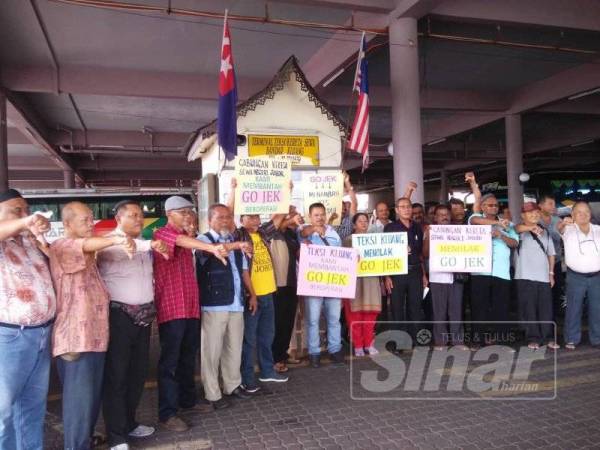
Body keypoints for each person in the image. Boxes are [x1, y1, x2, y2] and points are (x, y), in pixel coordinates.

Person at [49, 201, 135, 450]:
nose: (91, 224)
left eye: (91, 219)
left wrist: (115, 239)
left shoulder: (87, 250)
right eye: (84, 220)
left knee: (90, 400)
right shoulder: (63, 245)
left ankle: (84, 440)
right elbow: (87, 243)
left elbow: (92, 244)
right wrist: (118, 239)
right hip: (76, 338)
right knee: (79, 404)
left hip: (95, 338)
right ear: (67, 224)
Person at [153, 196, 239, 433]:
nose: (188, 216)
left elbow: (187, 243)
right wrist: (211, 247)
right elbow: (181, 240)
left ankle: (188, 401)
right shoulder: (163, 234)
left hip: (191, 306)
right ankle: (167, 413)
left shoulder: (190, 238)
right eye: (182, 212)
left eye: (190, 212)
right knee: (169, 362)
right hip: (172, 309)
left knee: (188, 357)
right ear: (169, 214)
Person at [97, 200, 170, 449]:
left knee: (137, 374)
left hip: (143, 318)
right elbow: (123, 247)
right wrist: (151, 243)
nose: (139, 219)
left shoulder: (144, 246)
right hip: (119, 317)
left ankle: (129, 423)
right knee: (117, 377)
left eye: (141, 215)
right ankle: (116, 436)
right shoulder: (109, 242)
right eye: (133, 215)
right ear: (119, 218)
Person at [0, 189, 56, 450]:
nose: (24, 215)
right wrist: (26, 221)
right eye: (16, 210)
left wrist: (37, 235)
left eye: (26, 209)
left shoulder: (30, 241)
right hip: (10, 336)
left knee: (32, 408)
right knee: (3, 412)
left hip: (41, 333)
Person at [197, 204, 255, 409]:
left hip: (236, 302)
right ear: (210, 219)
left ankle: (232, 385)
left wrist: (252, 295)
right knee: (211, 350)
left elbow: (244, 271)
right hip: (214, 303)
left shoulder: (235, 242)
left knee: (234, 346)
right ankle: (212, 394)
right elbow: (217, 251)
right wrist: (238, 245)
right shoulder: (204, 240)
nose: (225, 221)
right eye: (220, 217)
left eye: (228, 217)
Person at [468, 191, 518, 348]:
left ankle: (502, 340)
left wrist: (500, 235)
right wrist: (496, 224)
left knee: (501, 308)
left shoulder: (507, 224)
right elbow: (476, 219)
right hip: (480, 271)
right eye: (490, 205)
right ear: (482, 207)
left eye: (496, 205)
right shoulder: (474, 219)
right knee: (479, 307)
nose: (494, 207)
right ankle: (478, 340)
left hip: (501, 272)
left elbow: (515, 243)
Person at [299, 202, 344, 368]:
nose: (320, 218)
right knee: (313, 320)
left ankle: (335, 349)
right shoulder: (303, 230)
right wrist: (313, 230)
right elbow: (303, 233)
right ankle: (314, 353)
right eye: (316, 215)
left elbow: (341, 254)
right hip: (313, 283)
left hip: (333, 282)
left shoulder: (333, 233)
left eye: (322, 214)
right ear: (310, 217)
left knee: (334, 318)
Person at [383, 183, 427, 349]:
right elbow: (385, 253)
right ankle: (399, 342)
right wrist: (386, 277)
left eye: (408, 206)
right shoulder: (390, 228)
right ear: (397, 210)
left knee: (415, 307)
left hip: (415, 271)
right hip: (396, 273)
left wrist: (423, 275)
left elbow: (420, 254)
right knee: (397, 309)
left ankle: (415, 340)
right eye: (403, 207)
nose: (407, 210)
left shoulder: (417, 228)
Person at [513, 202, 559, 350]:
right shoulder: (518, 230)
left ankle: (548, 338)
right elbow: (517, 228)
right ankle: (533, 338)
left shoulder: (545, 231)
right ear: (523, 215)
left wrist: (551, 273)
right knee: (529, 309)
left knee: (546, 309)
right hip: (525, 276)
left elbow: (551, 253)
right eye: (530, 212)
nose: (534, 214)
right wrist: (530, 227)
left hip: (544, 276)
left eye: (536, 212)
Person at [423, 204, 468, 350]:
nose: (444, 217)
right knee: (439, 311)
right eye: (441, 214)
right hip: (437, 277)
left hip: (456, 276)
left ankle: (458, 341)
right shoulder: (430, 231)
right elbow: (425, 254)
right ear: (435, 217)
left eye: (446, 214)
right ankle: (440, 341)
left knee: (456, 310)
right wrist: (429, 236)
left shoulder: (459, 231)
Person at [558, 201, 600, 350]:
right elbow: (559, 228)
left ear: (590, 214)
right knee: (574, 308)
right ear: (573, 215)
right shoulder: (568, 229)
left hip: (597, 276)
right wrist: (563, 223)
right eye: (579, 212)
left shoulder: (597, 229)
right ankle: (571, 339)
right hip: (575, 276)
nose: (583, 215)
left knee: (597, 308)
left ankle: (597, 339)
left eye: (586, 212)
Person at [270, 208, 303, 374]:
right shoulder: (269, 233)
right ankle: (275, 358)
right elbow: (278, 223)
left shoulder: (291, 234)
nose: (293, 216)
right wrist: (286, 211)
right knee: (277, 323)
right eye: (289, 213)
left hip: (291, 283)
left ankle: (281, 355)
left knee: (287, 323)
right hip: (276, 285)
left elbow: (298, 253)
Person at [344, 213, 381, 356]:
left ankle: (369, 344)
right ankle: (358, 345)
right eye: (360, 221)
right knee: (355, 315)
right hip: (355, 283)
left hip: (371, 281)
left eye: (366, 221)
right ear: (354, 225)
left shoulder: (375, 241)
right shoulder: (348, 241)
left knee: (370, 314)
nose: (364, 224)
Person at [538, 194, 564, 318]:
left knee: (556, 291)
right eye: (550, 204)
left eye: (554, 204)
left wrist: (559, 229)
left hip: (556, 262)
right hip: (539, 263)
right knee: (542, 292)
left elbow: (558, 238)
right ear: (541, 206)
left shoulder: (557, 220)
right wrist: (556, 230)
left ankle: (554, 319)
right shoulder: (535, 219)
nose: (553, 207)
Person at [328, 173, 357, 241]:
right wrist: (330, 220)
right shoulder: (330, 222)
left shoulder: (349, 220)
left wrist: (347, 182)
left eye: (344, 209)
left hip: (347, 249)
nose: (343, 211)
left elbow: (354, 203)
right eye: (340, 209)